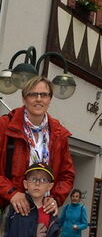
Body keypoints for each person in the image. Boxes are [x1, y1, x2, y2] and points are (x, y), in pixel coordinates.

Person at [0, 77, 75, 218]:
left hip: (42, 213)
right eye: (33, 94)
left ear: (50, 100)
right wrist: (12, 193)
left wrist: (55, 198)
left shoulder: (59, 134)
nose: (39, 99)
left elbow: (67, 175)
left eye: (44, 95)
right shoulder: (5, 126)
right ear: (24, 99)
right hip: (9, 209)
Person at [0, 163, 60, 237]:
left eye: (43, 180)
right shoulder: (14, 210)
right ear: (25, 184)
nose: (37, 183)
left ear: (50, 186)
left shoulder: (52, 215)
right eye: (33, 179)